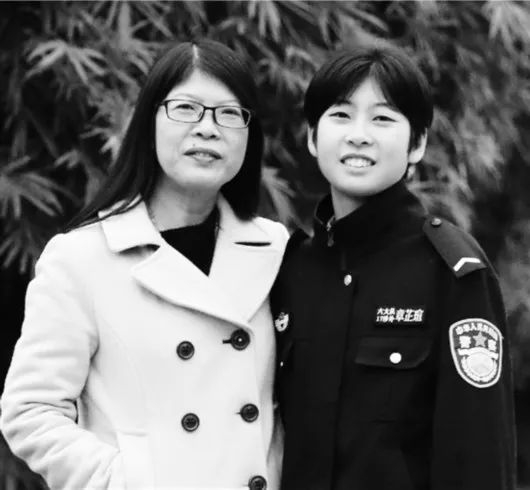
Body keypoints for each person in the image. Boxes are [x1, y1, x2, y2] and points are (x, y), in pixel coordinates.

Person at [1, 39, 288, 490]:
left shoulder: (276, 249)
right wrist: (128, 480)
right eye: (186, 108)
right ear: (148, 121)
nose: (208, 129)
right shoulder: (81, 258)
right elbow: (30, 411)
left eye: (229, 113)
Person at [272, 43, 516, 490]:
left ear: (417, 143)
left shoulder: (451, 271)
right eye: (340, 115)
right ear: (312, 137)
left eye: (382, 119)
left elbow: (478, 452)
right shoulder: (291, 270)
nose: (358, 135)